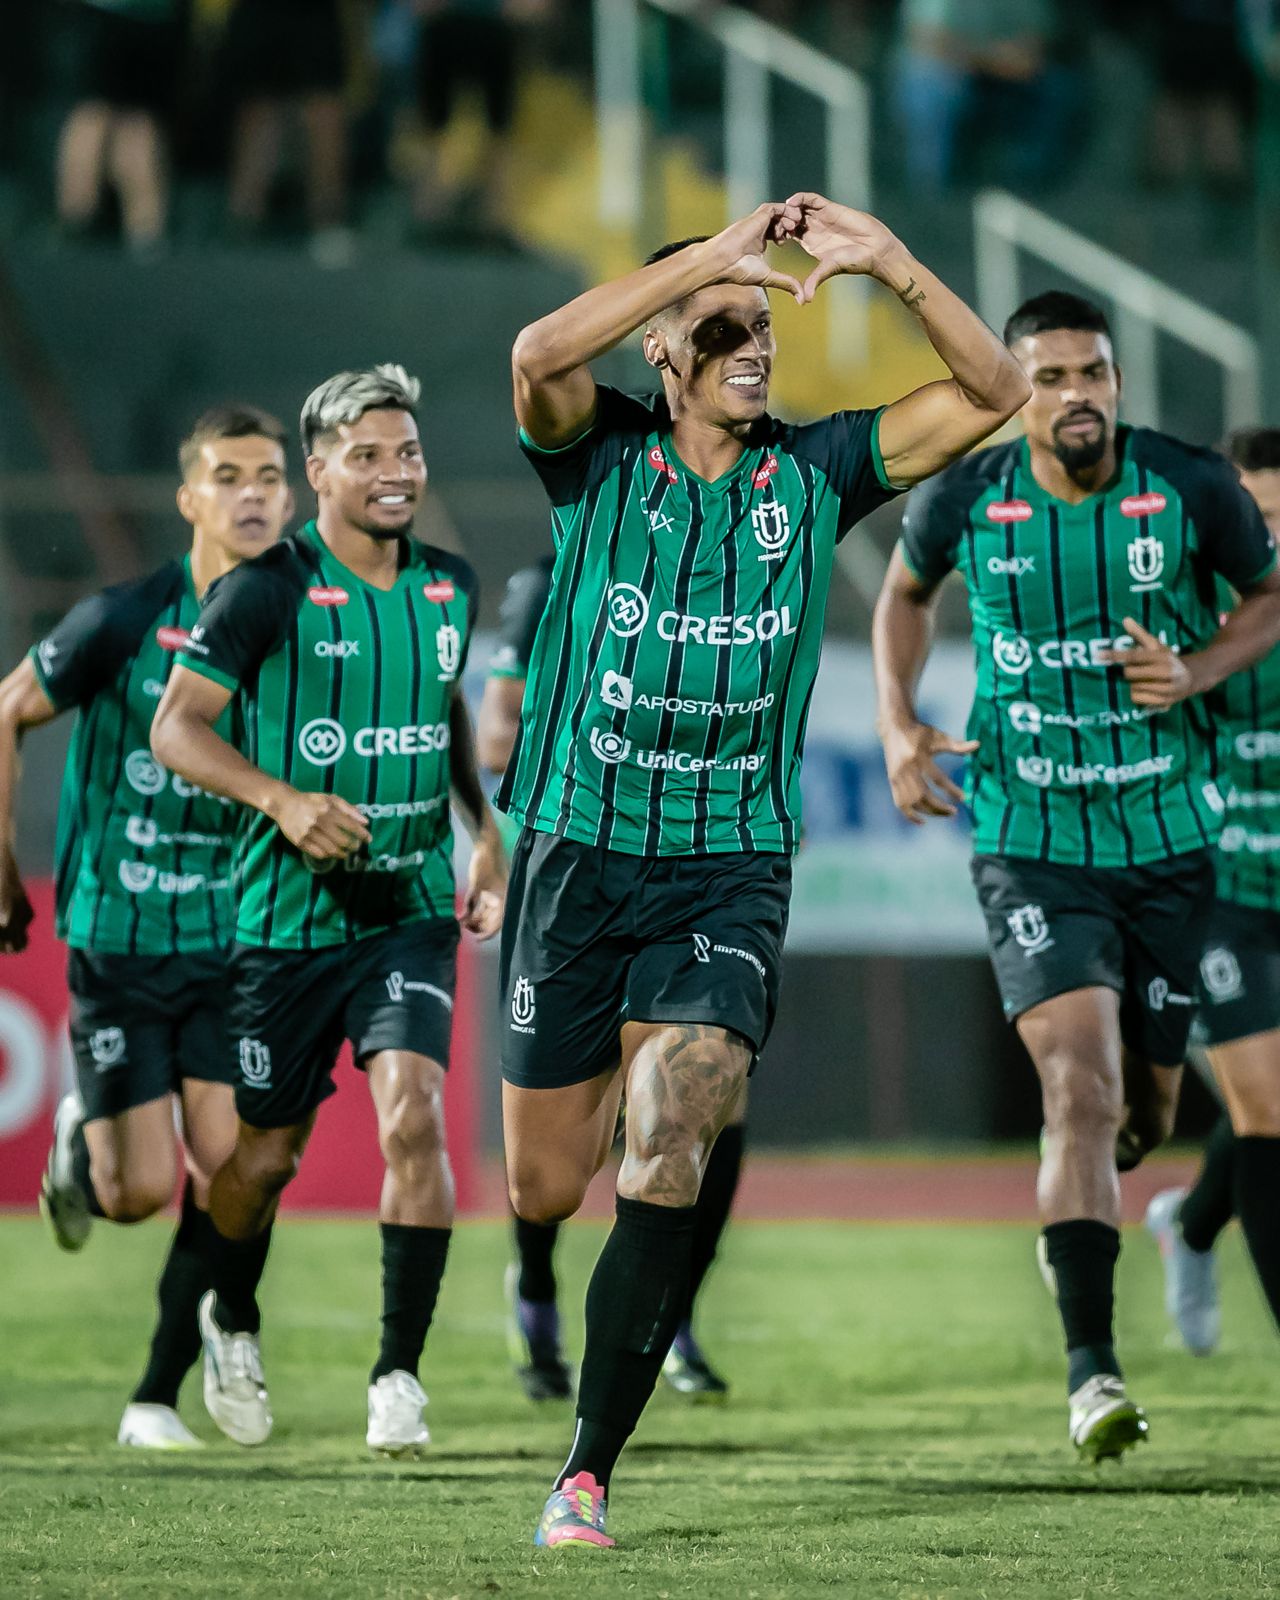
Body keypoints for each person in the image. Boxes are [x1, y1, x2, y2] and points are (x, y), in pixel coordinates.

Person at [501, 193, 1030, 1548]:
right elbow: (536, 356)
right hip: (575, 853)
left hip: (726, 864)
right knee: (544, 1185)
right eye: (722, 328)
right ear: (662, 350)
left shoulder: (818, 472)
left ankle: (584, 1473)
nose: (753, 346)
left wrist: (891, 264)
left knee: (675, 1126)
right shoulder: (597, 456)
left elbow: (996, 392)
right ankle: (559, 1259)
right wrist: (704, 259)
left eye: (762, 327)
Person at [873, 290, 1280, 1461]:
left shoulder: (1189, 485)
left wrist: (1195, 670)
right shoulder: (964, 494)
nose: (1074, 395)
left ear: (1116, 381)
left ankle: (1122, 1212)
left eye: (1090, 373)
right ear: (1014, 390)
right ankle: (1090, 1373)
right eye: (1047, 377)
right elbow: (902, 597)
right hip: (1029, 840)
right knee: (1079, 1088)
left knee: (1141, 1116)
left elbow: (1268, 597)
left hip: (1166, 846)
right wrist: (899, 722)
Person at [150, 365, 507, 1457]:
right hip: (285, 924)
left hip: (406, 907)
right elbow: (177, 728)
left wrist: (482, 828)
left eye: (408, 452)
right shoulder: (265, 590)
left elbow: (441, 710)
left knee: (414, 1117)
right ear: (319, 473)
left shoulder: (449, 585)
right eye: (367, 456)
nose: (396, 473)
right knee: (264, 1158)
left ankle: (398, 1375)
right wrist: (283, 800)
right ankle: (231, 1312)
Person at [0, 405, 292, 1448]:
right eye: (228, 476)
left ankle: (158, 1392)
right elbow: (8, 709)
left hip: (240, 938)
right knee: (134, 1195)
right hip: (121, 934)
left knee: (237, 1170)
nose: (252, 494)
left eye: (269, 477)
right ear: (188, 499)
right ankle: (85, 1137)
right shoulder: (122, 618)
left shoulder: (306, 621)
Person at [478, 556, 745, 1405]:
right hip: (574, 876)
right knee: (555, 1169)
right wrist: (611, 747)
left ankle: (673, 1311)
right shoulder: (556, 574)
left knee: (708, 1099)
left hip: (695, 868)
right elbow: (495, 734)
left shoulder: (734, 573)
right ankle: (534, 1288)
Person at [1146, 427, 1280, 1351]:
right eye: (1257, 515)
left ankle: (1191, 1225)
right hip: (1217, 888)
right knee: (1267, 1108)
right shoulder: (1175, 606)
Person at [221, 0, 352, 263]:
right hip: (261, 11)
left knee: (322, 107)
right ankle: (244, 217)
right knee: (259, 108)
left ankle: (327, 219)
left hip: (314, 13)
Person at [56, 0, 183, 250]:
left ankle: (80, 220)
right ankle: (142, 228)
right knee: (112, 116)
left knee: (106, 115)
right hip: (143, 17)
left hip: (124, 17)